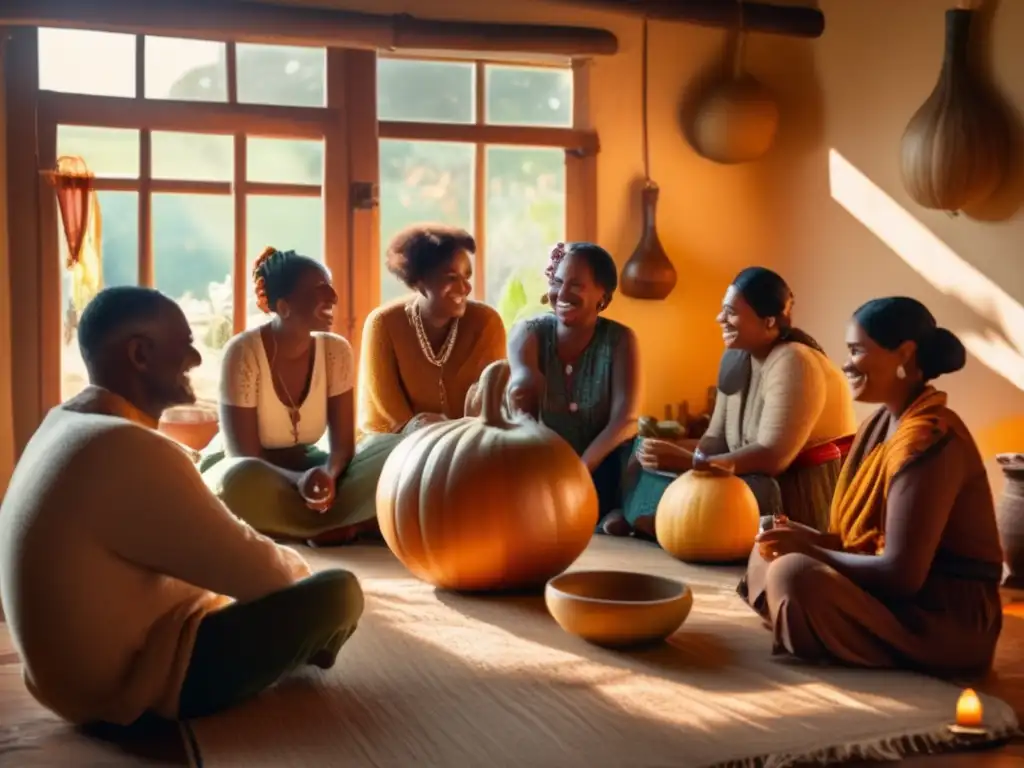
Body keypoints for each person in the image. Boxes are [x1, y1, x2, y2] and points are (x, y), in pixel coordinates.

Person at [0, 287, 363, 725]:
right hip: (126, 689)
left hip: (64, 687)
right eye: (185, 344)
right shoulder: (125, 448)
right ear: (139, 354)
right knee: (338, 593)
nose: (195, 359)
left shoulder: (63, 422)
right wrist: (306, 589)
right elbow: (269, 580)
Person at [742, 297, 1004, 674]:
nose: (846, 363)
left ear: (905, 355)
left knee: (794, 574)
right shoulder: (880, 423)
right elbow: (866, 542)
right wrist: (803, 537)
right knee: (768, 548)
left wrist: (811, 551)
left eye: (857, 351)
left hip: (942, 616)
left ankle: (830, 630)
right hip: (896, 594)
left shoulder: (929, 440)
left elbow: (901, 574)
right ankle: (818, 626)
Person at [635, 267, 856, 533]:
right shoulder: (737, 358)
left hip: (791, 500)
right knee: (636, 456)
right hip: (744, 477)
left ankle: (652, 521)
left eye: (731, 312)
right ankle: (638, 517)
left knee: (740, 490)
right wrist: (668, 450)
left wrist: (689, 462)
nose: (720, 319)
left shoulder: (794, 360)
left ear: (769, 321)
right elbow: (715, 442)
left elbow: (772, 458)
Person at [200, 248, 397, 546]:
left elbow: (343, 448)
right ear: (284, 305)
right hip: (252, 471)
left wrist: (327, 475)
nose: (332, 297)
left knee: (394, 452)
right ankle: (333, 525)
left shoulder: (336, 351)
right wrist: (299, 482)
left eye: (330, 287)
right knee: (238, 482)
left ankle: (304, 524)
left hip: (311, 467)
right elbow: (243, 455)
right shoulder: (243, 351)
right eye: (319, 289)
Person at [507, 242, 641, 535]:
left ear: (602, 298)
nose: (562, 293)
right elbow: (521, 406)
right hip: (542, 466)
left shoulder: (620, 340)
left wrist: (580, 469)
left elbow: (625, 419)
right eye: (557, 282)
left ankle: (620, 511)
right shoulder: (528, 333)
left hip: (604, 466)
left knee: (646, 455)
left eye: (576, 285)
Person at [358, 224, 506, 437]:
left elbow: (490, 402)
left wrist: (457, 434)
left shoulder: (486, 322)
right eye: (452, 278)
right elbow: (390, 415)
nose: (466, 288)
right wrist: (430, 433)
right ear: (419, 281)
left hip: (468, 442)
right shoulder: (383, 323)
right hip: (396, 443)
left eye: (467, 276)